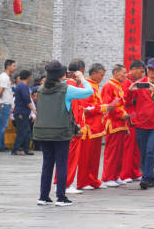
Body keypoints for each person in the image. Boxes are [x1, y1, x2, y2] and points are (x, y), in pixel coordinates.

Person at [34, 61, 93, 206]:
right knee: (61, 164)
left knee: (47, 164)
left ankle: (43, 197)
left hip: (42, 131)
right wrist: (82, 79)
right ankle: (61, 197)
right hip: (60, 132)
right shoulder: (67, 89)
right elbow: (89, 91)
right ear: (62, 75)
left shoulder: (41, 89)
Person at [128, 58, 154, 190]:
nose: (150, 71)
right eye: (149, 69)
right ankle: (150, 177)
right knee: (143, 152)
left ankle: (145, 178)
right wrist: (130, 90)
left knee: (151, 150)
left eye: (153, 69)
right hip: (141, 124)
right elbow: (127, 102)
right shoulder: (140, 83)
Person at [77, 63, 112, 190]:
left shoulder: (95, 86)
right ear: (93, 74)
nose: (102, 78)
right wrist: (102, 108)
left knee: (95, 157)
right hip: (89, 127)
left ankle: (93, 180)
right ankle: (83, 181)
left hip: (97, 126)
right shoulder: (86, 86)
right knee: (86, 157)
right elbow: (86, 108)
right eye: (101, 75)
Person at [101, 64, 130, 188]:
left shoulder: (119, 86)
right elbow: (108, 105)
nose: (125, 75)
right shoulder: (109, 86)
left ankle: (116, 175)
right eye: (123, 72)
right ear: (116, 73)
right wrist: (121, 114)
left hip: (121, 123)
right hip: (113, 123)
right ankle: (108, 177)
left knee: (119, 152)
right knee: (112, 152)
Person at [61, 59, 86, 195]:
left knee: (63, 157)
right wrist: (76, 127)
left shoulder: (63, 84)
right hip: (72, 127)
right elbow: (75, 109)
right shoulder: (72, 86)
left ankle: (60, 182)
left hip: (64, 125)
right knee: (71, 157)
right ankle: (67, 183)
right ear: (81, 71)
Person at [121, 60, 145, 183]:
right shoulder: (126, 81)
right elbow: (124, 99)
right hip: (129, 115)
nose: (142, 74)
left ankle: (135, 172)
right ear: (134, 69)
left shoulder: (135, 81)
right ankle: (125, 173)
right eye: (141, 71)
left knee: (136, 148)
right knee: (128, 147)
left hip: (136, 117)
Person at [11, 70, 35, 155]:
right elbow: (27, 99)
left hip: (23, 112)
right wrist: (34, 110)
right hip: (21, 112)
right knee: (22, 131)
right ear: (28, 77)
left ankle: (26, 148)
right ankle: (15, 149)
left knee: (27, 131)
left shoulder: (20, 85)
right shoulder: (23, 86)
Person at [0, 59, 16, 152]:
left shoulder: (5, 77)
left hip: (4, 104)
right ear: (8, 66)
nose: (15, 68)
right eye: (13, 66)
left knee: (3, 125)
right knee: (2, 126)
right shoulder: (4, 77)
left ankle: (1, 144)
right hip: (4, 104)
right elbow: (0, 91)